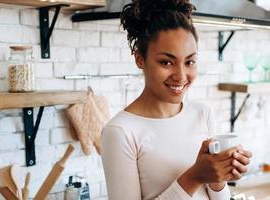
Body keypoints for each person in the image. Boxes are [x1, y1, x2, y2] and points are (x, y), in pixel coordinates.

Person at [101, 0, 252, 199]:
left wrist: (217, 178)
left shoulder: (202, 113)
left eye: (189, 61)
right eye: (166, 62)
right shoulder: (120, 131)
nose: (181, 76)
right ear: (140, 59)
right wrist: (193, 177)